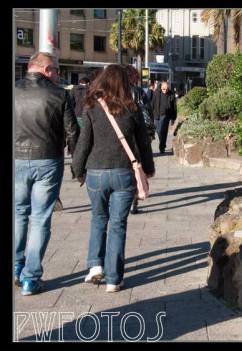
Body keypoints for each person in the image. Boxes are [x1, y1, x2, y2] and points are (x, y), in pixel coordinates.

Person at [71, 64, 155, 292]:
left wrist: (77, 170)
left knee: (98, 218)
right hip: (123, 173)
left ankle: (95, 266)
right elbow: (143, 144)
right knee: (118, 224)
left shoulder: (91, 107)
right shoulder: (132, 108)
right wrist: (148, 168)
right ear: (124, 84)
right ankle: (114, 279)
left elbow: (83, 143)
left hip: (96, 172)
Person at [15, 52, 79, 295]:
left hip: (17, 158)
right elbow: (72, 132)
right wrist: (78, 164)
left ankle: (16, 265)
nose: (58, 75)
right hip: (48, 159)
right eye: (56, 70)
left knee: (19, 213)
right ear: (45, 69)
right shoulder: (59, 94)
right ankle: (30, 278)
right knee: (40, 217)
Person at [124, 65, 155, 214]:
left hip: (120, 137)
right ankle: (133, 201)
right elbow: (147, 112)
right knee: (136, 167)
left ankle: (125, 198)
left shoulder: (115, 93)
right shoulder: (138, 92)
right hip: (138, 134)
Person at [151, 81, 176, 153]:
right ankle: (162, 143)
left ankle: (162, 146)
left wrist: (173, 118)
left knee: (164, 132)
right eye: (163, 89)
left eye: (166, 89)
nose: (165, 91)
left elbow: (174, 107)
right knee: (158, 131)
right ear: (161, 87)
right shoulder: (156, 93)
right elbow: (152, 103)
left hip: (166, 116)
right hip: (156, 115)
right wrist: (151, 114)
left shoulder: (171, 94)